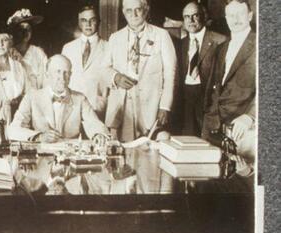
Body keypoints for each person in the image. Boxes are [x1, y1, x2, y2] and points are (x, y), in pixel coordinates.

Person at [102, 0, 177, 141]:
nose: (134, 14)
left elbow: (170, 74)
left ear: (146, 9)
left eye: (138, 9)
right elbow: (104, 69)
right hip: (121, 107)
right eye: (129, 10)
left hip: (151, 106)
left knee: (149, 153)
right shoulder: (115, 38)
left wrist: (165, 106)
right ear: (123, 12)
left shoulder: (161, 35)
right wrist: (116, 77)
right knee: (121, 153)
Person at [8, 54, 109, 142]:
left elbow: (94, 123)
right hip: (42, 156)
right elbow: (13, 130)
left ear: (70, 75)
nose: (62, 77)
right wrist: (38, 137)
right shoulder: (32, 97)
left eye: (66, 72)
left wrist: (99, 135)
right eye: (58, 72)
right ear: (47, 74)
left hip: (71, 156)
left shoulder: (80, 99)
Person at [202, 0, 255, 146]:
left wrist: (250, 117)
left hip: (241, 129)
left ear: (250, 16)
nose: (235, 19)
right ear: (226, 18)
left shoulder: (261, 45)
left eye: (240, 14)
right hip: (212, 126)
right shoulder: (221, 48)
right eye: (231, 15)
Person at [178, 2, 226, 136]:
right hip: (186, 97)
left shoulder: (220, 41)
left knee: (207, 140)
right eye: (187, 17)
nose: (191, 20)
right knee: (188, 138)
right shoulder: (181, 44)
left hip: (208, 98)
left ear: (203, 17)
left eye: (195, 16)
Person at [61, 4, 109, 119]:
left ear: (99, 22)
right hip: (71, 109)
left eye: (92, 20)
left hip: (97, 109)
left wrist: (103, 101)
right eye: (84, 20)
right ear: (79, 23)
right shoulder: (68, 48)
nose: (88, 24)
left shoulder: (109, 47)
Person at [7, 8, 48, 89]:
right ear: (14, 32)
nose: (26, 33)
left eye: (28, 29)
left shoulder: (38, 53)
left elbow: (46, 80)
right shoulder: (7, 53)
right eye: (21, 29)